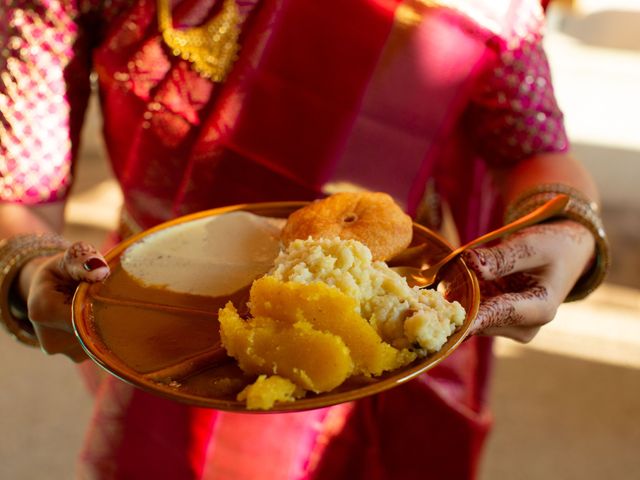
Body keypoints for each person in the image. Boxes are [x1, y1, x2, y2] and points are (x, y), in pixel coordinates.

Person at [0, 0, 610, 478]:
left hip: (395, 320)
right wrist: (32, 269)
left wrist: (568, 225)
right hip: (170, 329)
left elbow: (532, 149)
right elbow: (18, 190)